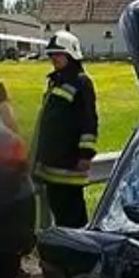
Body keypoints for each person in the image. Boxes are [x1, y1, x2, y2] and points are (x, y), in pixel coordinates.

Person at [31, 30, 98, 228]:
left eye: (58, 54)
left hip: (70, 166)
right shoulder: (56, 81)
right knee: (60, 219)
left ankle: (79, 256)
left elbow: (88, 120)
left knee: (73, 220)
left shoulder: (81, 82)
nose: (53, 59)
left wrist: (85, 154)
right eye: (51, 55)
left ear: (71, 55)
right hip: (51, 165)